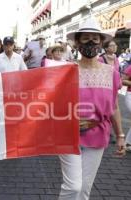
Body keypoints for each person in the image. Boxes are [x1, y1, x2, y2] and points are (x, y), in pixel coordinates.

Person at [58, 18, 125, 200]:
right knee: (73, 187)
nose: (90, 42)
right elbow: (51, 102)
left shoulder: (110, 72)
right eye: (85, 38)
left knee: (84, 190)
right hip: (67, 134)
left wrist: (120, 136)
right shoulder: (65, 70)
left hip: (98, 134)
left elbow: (114, 106)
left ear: (101, 42)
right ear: (77, 42)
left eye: (95, 39)